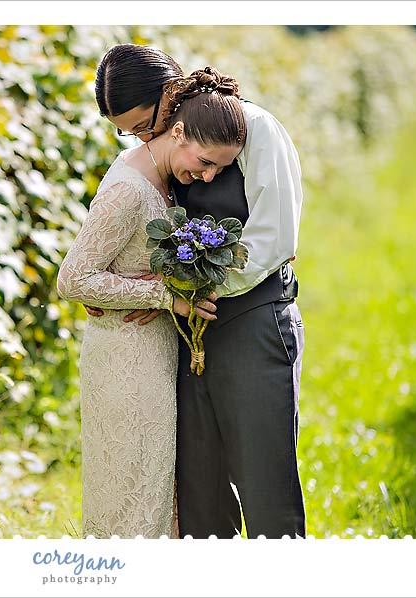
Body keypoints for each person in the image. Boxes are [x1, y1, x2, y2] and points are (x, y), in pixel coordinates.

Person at [90, 44, 306, 539]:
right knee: (200, 495)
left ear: (171, 96)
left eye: (146, 123)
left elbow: (273, 238)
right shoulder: (163, 151)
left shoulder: (255, 128)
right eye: (131, 132)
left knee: (265, 485)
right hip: (185, 334)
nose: (144, 138)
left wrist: (190, 285)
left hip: (253, 321)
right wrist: (137, 288)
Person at [56, 67, 249, 538]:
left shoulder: (166, 166)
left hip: (155, 353)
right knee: (134, 495)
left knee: (157, 490)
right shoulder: (128, 187)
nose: (207, 177)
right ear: (179, 131)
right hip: (126, 358)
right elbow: (73, 278)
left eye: (216, 170)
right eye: (205, 163)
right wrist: (166, 297)